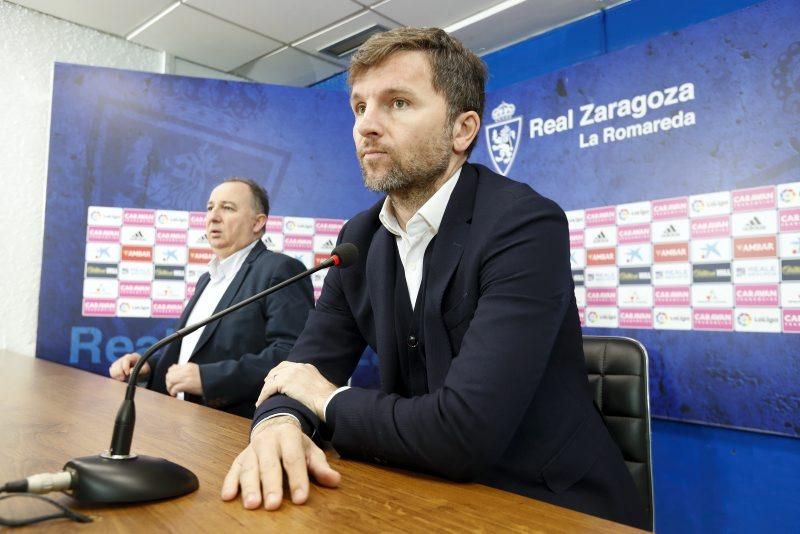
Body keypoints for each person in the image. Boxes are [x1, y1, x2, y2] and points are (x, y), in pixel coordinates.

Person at [221, 28, 646, 528]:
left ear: (462, 130)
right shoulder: (358, 239)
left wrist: (324, 398)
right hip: (418, 490)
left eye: (397, 103)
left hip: (543, 503)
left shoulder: (524, 224)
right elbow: (299, 371)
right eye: (359, 107)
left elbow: (464, 433)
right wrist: (278, 424)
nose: (367, 127)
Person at [109, 178, 314, 418]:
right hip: (183, 419)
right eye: (210, 208)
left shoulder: (280, 270)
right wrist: (148, 367)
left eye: (227, 208)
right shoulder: (208, 279)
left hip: (236, 425)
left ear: (258, 222)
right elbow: (195, 353)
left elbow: (292, 354)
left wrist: (210, 379)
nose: (213, 217)